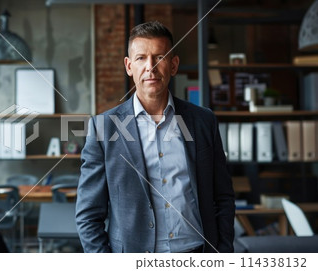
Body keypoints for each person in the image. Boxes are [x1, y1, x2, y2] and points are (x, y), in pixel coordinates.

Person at [75, 21, 235, 253]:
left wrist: (223, 252)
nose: (150, 67)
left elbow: (223, 197)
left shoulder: (203, 121)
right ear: (129, 66)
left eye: (159, 57)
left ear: (173, 65)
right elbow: (88, 214)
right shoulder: (104, 128)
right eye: (141, 58)